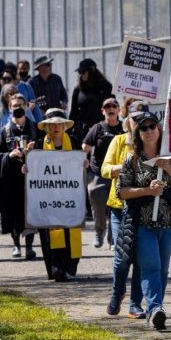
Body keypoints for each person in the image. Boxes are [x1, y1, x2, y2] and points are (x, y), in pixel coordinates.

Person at [117, 111, 171, 331]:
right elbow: (122, 192)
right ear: (137, 133)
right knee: (151, 266)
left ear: (159, 130)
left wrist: (167, 167)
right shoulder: (132, 160)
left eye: (152, 127)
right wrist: (147, 191)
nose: (149, 131)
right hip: (143, 223)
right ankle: (155, 309)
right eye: (144, 128)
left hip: (169, 223)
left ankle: (156, 307)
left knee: (163, 269)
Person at [102, 101, 147, 318]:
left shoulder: (151, 143)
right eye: (134, 118)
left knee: (139, 257)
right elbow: (105, 169)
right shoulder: (118, 141)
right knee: (122, 257)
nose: (138, 123)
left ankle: (135, 304)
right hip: (120, 208)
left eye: (142, 119)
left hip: (144, 207)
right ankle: (117, 292)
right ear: (127, 120)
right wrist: (125, 167)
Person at [35, 108, 86, 282]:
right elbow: (33, 169)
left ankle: (70, 266)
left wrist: (84, 164)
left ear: (65, 126)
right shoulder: (38, 144)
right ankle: (55, 268)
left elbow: (81, 166)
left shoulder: (74, 142)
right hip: (48, 199)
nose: (56, 127)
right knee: (51, 234)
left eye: (59, 124)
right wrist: (26, 166)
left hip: (70, 196)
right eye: (52, 124)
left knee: (70, 231)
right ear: (47, 126)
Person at [0, 93, 40, 259]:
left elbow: (49, 150)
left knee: (30, 212)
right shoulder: (3, 133)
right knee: (13, 211)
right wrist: (8, 156)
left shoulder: (36, 129)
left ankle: (30, 246)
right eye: (14, 106)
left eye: (20, 105)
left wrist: (36, 147)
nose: (18, 108)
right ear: (10, 108)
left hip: (32, 179)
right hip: (11, 180)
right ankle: (16, 244)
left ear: (26, 107)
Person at [82, 96, 123, 249]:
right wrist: (83, 156)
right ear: (102, 111)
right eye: (107, 107)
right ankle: (99, 232)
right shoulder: (98, 128)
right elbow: (85, 145)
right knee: (98, 206)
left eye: (114, 106)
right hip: (98, 174)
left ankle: (114, 238)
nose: (110, 109)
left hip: (118, 175)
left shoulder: (124, 128)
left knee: (117, 207)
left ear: (118, 110)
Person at [69, 58, 113, 142]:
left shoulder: (106, 87)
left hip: (102, 130)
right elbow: (73, 112)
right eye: (79, 72)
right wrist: (69, 130)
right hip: (83, 131)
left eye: (83, 72)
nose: (81, 75)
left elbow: (112, 107)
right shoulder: (78, 89)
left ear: (92, 71)